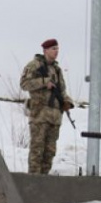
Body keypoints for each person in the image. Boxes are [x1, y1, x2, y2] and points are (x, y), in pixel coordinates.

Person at [20, 38, 74, 175]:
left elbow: (62, 90)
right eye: (53, 49)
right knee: (37, 151)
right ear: (45, 50)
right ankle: (33, 181)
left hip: (54, 117)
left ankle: (43, 181)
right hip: (40, 115)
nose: (56, 52)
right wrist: (44, 82)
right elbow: (24, 84)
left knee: (49, 153)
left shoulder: (57, 70)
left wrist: (67, 102)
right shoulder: (34, 65)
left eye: (57, 49)